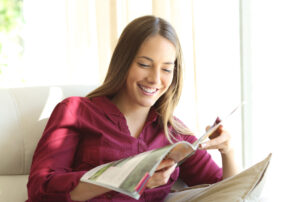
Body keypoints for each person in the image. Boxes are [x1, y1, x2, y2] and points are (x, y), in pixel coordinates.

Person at [26, 15, 238, 202]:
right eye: (144, 65)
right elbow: (41, 189)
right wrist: (129, 179)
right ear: (124, 63)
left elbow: (226, 191)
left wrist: (227, 151)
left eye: (166, 69)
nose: (155, 79)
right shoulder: (75, 111)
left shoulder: (174, 134)